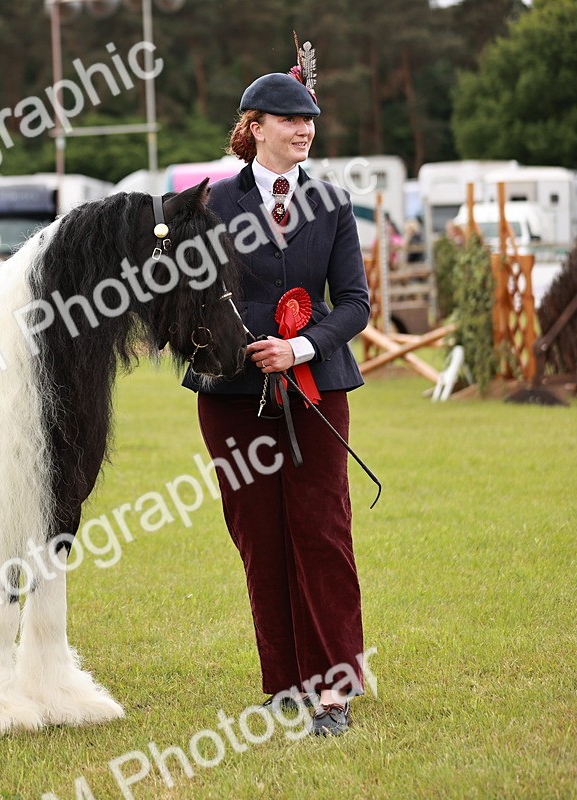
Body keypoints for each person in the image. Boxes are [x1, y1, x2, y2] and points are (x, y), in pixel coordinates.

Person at [180, 66, 371, 736]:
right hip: (232, 396)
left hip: (318, 390)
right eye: (290, 119)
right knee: (259, 538)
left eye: (310, 119)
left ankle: (334, 690)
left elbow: (355, 305)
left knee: (321, 532)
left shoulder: (335, 204)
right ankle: (284, 684)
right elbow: (189, 306)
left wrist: (301, 349)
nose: (304, 129)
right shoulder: (209, 207)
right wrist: (239, 350)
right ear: (253, 128)